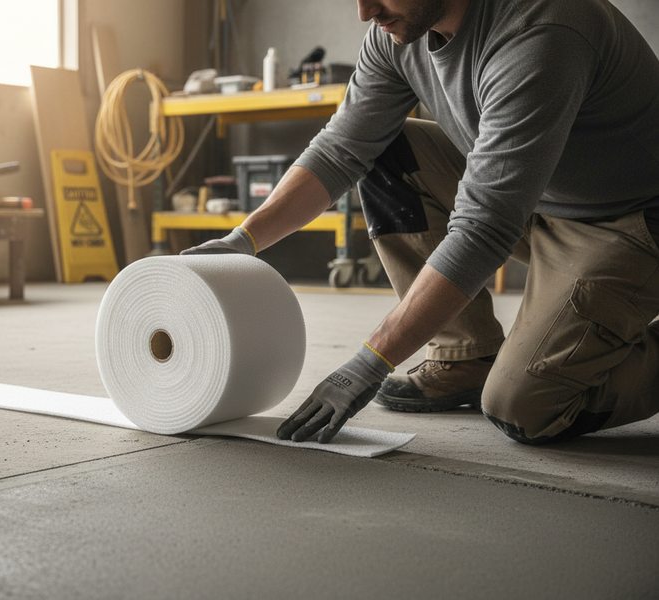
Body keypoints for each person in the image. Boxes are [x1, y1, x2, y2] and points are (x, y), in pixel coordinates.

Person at [182, 0, 659, 445]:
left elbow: (483, 229)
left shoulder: (541, 31)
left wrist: (370, 362)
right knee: (388, 151)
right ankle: (467, 355)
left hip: (624, 222)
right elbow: (340, 151)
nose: (365, 11)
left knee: (525, 407)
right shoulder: (397, 31)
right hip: (537, 199)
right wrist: (242, 241)